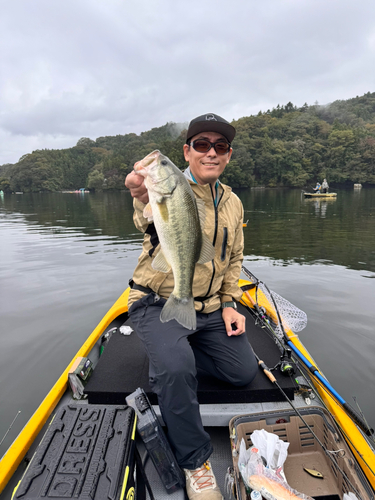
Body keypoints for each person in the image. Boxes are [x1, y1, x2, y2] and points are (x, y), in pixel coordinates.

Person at [125, 113, 258, 500]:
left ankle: (169, 358)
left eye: (220, 146)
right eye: (202, 145)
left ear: (229, 155)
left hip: (210, 307)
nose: (211, 152)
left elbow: (234, 259)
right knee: (178, 369)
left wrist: (231, 304)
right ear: (188, 151)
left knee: (242, 371)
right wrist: (140, 192)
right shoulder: (167, 189)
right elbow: (145, 216)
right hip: (156, 299)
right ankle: (196, 464)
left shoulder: (233, 202)